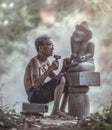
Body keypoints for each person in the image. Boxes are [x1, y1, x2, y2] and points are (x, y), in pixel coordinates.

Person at [24, 35, 69, 117]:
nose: (53, 48)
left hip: (41, 93)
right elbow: (35, 85)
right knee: (62, 77)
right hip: (34, 95)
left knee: (67, 79)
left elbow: (57, 80)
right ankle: (56, 110)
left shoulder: (47, 62)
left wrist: (64, 68)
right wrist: (50, 69)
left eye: (52, 45)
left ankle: (62, 109)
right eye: (50, 45)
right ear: (41, 48)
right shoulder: (35, 61)